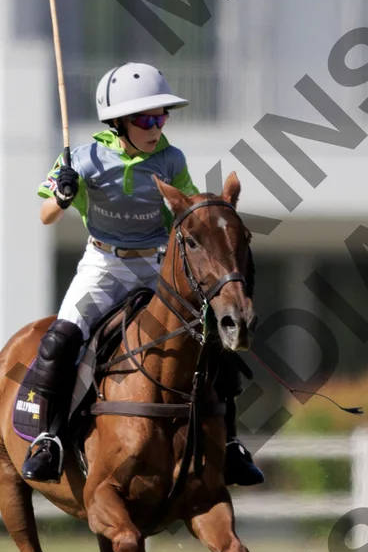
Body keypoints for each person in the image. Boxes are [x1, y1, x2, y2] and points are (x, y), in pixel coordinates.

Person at [14, 63, 263, 488]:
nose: (156, 127)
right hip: (103, 265)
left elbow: (188, 213)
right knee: (59, 341)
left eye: (161, 118)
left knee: (213, 339)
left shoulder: (171, 159)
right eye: (146, 120)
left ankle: (231, 442)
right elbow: (45, 216)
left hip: (155, 265)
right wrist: (63, 195)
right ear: (119, 122)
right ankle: (48, 439)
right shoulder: (83, 159)